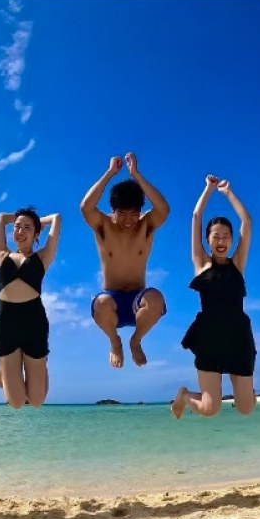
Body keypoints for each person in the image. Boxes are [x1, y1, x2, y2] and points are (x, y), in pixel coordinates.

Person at [172, 176, 256, 419]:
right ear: (207, 240)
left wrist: (229, 192)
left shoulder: (238, 264)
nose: (221, 241)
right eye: (215, 236)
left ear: (231, 240)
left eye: (226, 236)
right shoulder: (201, 264)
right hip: (209, 336)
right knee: (210, 409)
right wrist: (208, 189)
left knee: (246, 408)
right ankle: (185, 396)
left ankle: (245, 392)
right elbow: (196, 218)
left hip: (239, 336)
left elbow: (247, 221)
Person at [80, 152, 169, 368]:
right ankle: (114, 341)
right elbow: (85, 207)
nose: (129, 220)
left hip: (138, 301)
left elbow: (163, 208)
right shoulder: (103, 225)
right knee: (100, 303)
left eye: (133, 214)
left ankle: (135, 341)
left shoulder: (146, 225)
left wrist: (136, 175)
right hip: (112, 301)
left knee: (156, 299)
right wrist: (110, 173)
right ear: (113, 210)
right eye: (123, 214)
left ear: (140, 212)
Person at [0, 207, 61, 409]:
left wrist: (39, 221)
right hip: (6, 321)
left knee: (36, 401)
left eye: (27, 228)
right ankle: (3, 365)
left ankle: (41, 361)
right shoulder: (2, 255)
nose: (20, 231)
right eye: (17, 227)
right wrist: (27, 222)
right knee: (17, 402)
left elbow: (56, 218)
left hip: (33, 321)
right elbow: (1, 218)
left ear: (36, 234)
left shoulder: (42, 257)